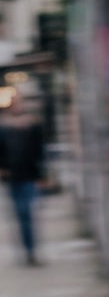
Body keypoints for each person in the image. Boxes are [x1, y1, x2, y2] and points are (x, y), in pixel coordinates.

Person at [0, 86, 48, 266]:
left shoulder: (33, 125)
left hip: (30, 175)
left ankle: (31, 250)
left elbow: (40, 151)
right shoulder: (4, 126)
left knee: (27, 212)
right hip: (13, 176)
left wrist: (42, 176)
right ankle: (28, 249)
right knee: (20, 214)